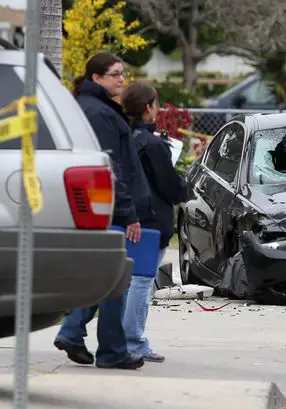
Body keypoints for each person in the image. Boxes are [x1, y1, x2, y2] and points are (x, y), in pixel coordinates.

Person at [53, 52, 154, 370]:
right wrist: (129, 214)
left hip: (105, 205)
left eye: (123, 73)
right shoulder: (98, 113)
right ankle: (111, 350)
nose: (121, 79)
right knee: (117, 279)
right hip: (108, 208)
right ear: (96, 78)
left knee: (105, 277)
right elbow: (111, 168)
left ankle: (75, 333)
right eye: (114, 74)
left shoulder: (99, 108)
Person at [120, 82, 189, 363]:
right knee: (141, 281)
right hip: (152, 218)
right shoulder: (152, 143)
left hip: (129, 215)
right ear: (148, 107)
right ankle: (134, 340)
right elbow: (169, 185)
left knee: (128, 280)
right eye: (156, 104)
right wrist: (185, 188)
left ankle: (124, 338)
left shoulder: (125, 137)